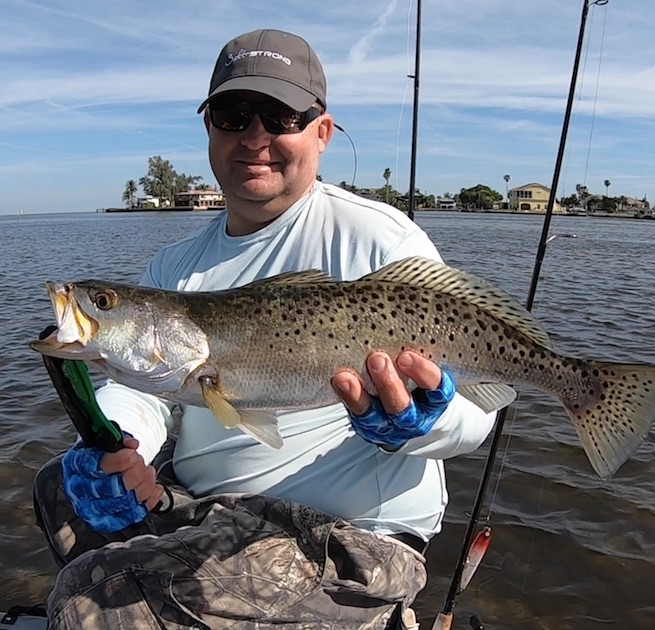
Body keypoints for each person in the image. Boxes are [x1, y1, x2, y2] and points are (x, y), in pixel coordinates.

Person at [35, 28, 501, 630]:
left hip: (345, 543)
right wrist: (121, 438)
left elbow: (476, 417)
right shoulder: (175, 267)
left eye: (281, 116)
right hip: (212, 515)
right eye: (233, 115)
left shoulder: (377, 240)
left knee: (85, 604)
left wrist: (419, 425)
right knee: (61, 486)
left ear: (321, 132)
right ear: (210, 130)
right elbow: (145, 385)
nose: (255, 137)